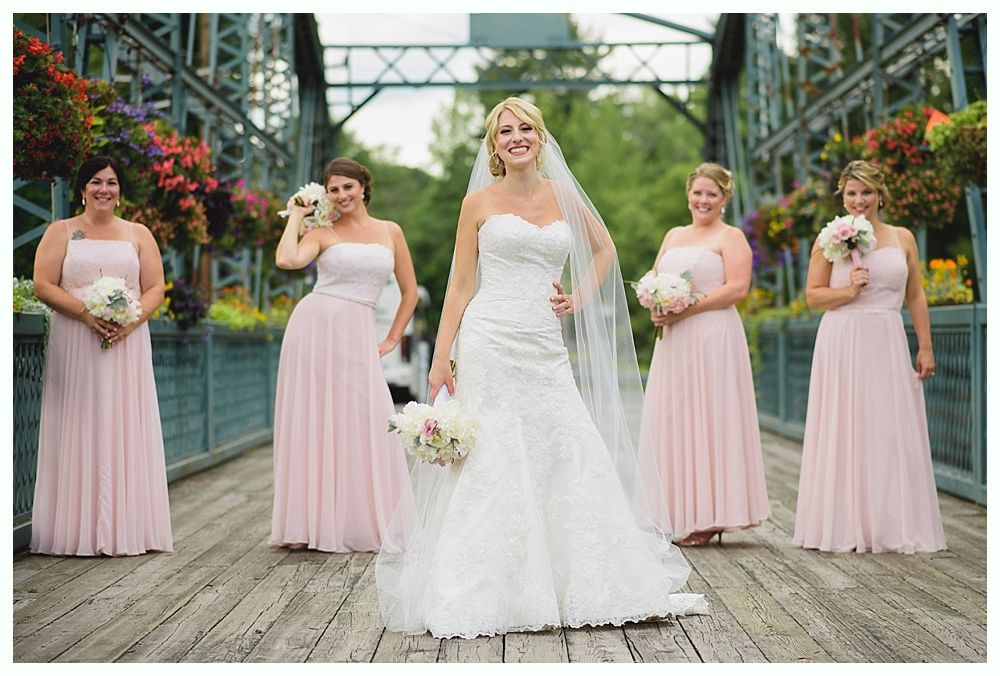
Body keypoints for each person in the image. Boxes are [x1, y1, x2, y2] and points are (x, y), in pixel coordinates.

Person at [375, 97, 706, 639]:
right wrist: (440, 358)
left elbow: (605, 250)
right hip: (488, 338)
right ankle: (493, 588)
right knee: (494, 453)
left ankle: (580, 580)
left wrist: (578, 296)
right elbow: (460, 284)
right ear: (494, 144)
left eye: (525, 127)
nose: (516, 136)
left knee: (563, 442)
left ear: (541, 137)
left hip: (542, 343)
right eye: (505, 131)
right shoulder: (478, 203)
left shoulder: (562, 196)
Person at [793, 160, 946, 553]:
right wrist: (849, 291)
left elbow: (915, 294)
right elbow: (813, 296)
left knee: (888, 428)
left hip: (888, 337)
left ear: (881, 195)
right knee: (845, 425)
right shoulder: (830, 238)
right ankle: (845, 524)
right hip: (843, 338)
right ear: (842, 197)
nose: (859, 200)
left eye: (866, 192)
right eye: (851, 193)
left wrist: (925, 345)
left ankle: (889, 525)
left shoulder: (902, 238)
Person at [269, 157, 417, 552]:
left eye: (347, 187)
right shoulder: (321, 231)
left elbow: (410, 292)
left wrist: (390, 339)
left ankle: (363, 519)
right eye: (333, 189)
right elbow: (286, 260)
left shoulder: (391, 231)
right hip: (314, 330)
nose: (341, 195)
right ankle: (312, 523)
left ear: (364, 187)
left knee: (369, 417)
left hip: (358, 332)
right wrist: (296, 217)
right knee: (316, 420)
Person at [31, 155, 173, 556]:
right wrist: (86, 313)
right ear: (81, 188)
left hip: (126, 341)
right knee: (78, 422)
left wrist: (131, 322)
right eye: (95, 181)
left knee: (123, 423)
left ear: (120, 190)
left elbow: (155, 287)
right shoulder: (61, 232)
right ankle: (75, 529)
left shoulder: (138, 233)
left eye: (111, 182)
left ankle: (125, 527)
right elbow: (43, 284)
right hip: (77, 338)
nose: (103, 189)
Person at [637, 163, 771, 546]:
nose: (703, 200)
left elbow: (737, 289)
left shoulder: (731, 238)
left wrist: (687, 307)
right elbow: (654, 277)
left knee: (710, 416)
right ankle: (676, 508)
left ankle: (710, 515)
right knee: (673, 416)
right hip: (674, 341)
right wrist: (656, 305)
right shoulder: (674, 235)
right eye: (698, 192)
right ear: (688, 194)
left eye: (712, 194)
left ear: (724, 198)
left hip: (713, 337)